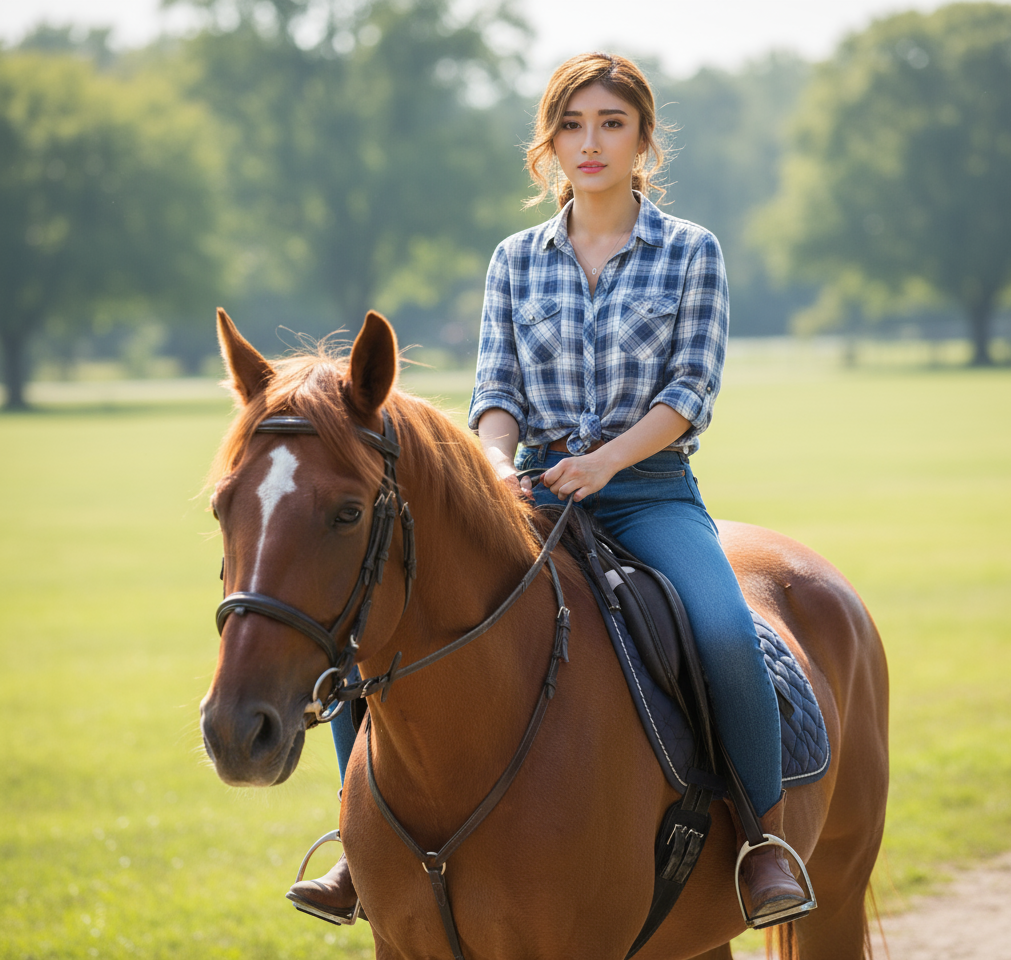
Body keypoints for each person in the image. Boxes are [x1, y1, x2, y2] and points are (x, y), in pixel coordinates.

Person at [288, 50, 810, 929]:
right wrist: (496, 468)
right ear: (550, 143)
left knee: (724, 632)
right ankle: (359, 845)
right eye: (572, 125)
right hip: (528, 490)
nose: (590, 142)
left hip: (648, 493)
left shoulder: (691, 252)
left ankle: (763, 841)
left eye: (611, 123)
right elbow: (495, 391)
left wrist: (606, 463)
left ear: (643, 139)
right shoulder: (516, 260)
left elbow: (691, 391)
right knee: (373, 629)